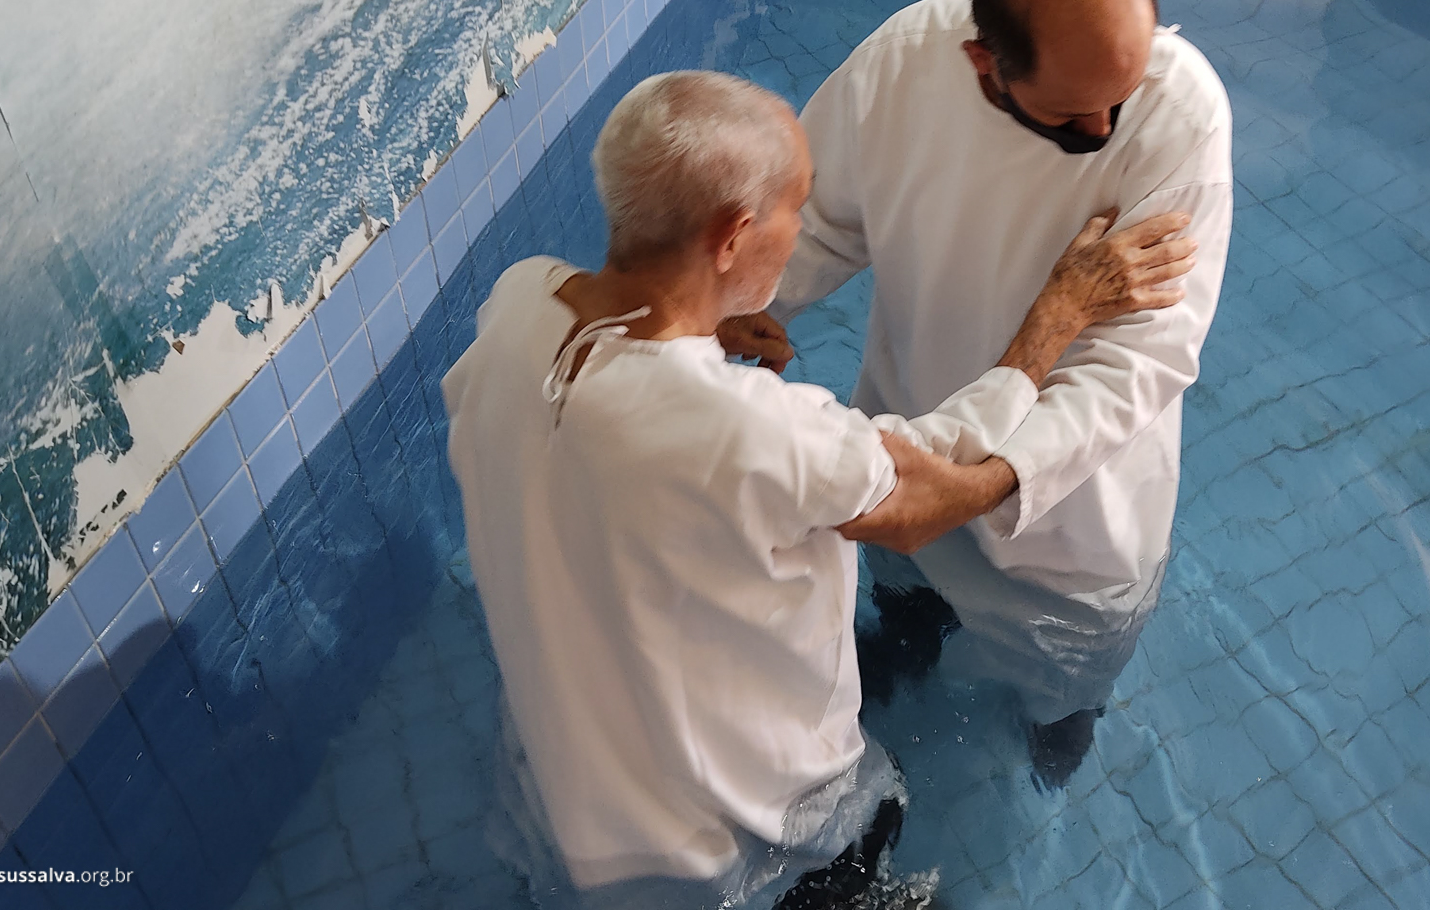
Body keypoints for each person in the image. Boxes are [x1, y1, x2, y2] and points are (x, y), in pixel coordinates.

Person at [440, 70, 1196, 909]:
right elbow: (924, 493)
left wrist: (698, 329)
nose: (803, 229)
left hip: (562, 794)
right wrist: (1057, 316)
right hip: (727, 847)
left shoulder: (517, 302)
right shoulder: (761, 430)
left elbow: (619, 417)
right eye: (796, 207)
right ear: (733, 237)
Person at [747, 0, 1234, 790]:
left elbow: (1141, 357)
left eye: (1121, 98)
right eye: (1075, 116)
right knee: (905, 615)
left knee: (1062, 700)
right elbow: (814, 220)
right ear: (984, 62)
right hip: (916, 438)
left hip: (1074, 519)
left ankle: (1055, 745)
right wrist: (739, 306)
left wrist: (988, 483)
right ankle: (906, 653)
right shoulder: (901, 66)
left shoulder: (1181, 111)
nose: (1105, 131)